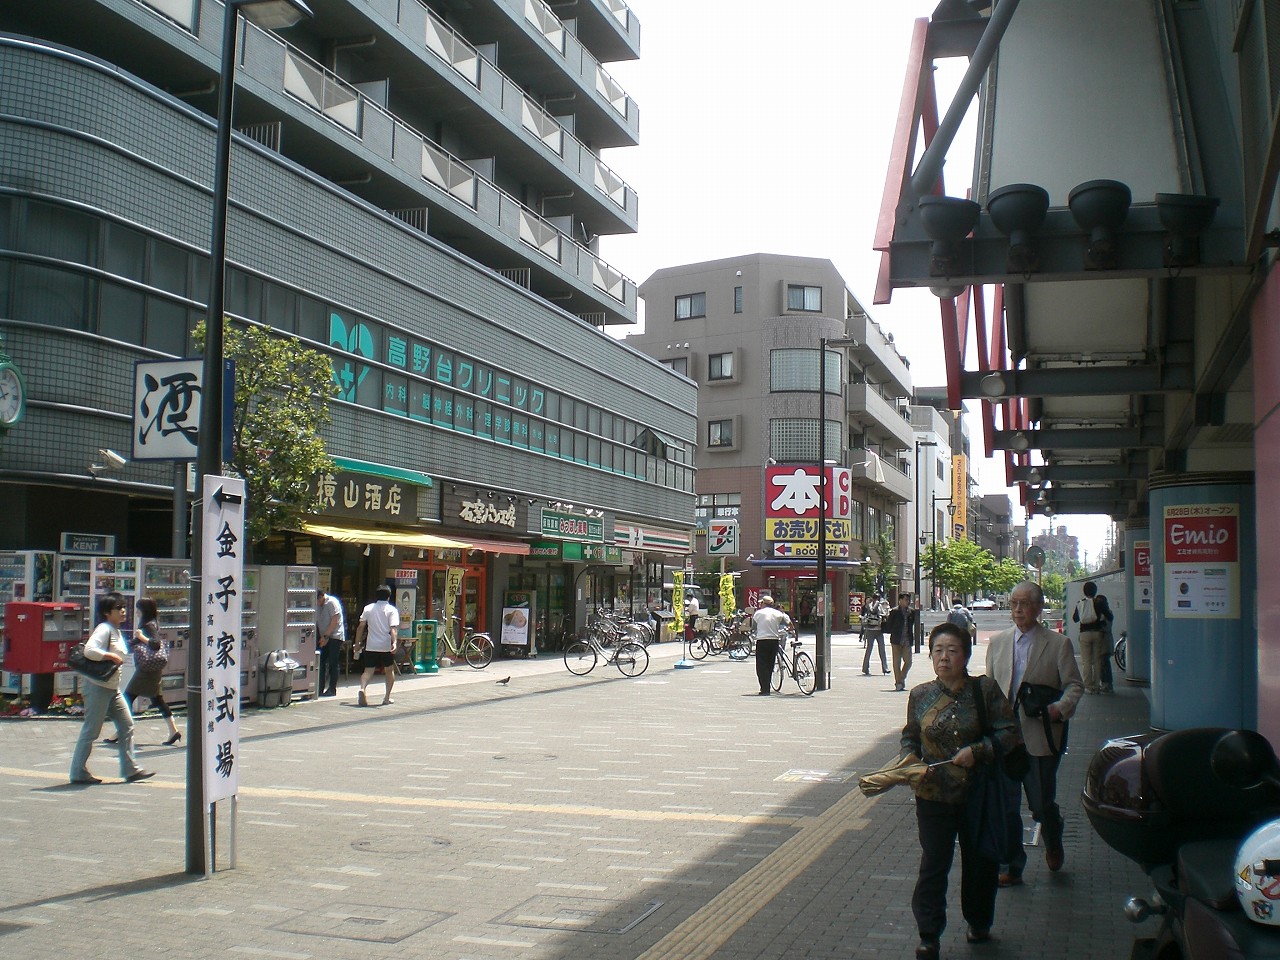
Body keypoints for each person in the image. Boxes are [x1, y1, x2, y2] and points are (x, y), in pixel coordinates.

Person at [903, 621, 1020, 959]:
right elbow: (910, 735)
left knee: (980, 861)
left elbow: (1009, 730)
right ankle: (929, 934)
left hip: (978, 794)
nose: (944, 658)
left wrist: (979, 751)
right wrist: (909, 760)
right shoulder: (921, 695)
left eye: (952, 651)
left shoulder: (984, 691)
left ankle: (979, 921)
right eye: (938, 650)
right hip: (933, 795)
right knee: (934, 863)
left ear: (966, 655)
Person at [985, 580, 1084, 885]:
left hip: (1041, 736)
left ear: (1039, 608)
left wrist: (1059, 709)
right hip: (1005, 739)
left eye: (1024, 604)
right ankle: (1011, 865)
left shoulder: (1057, 644)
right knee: (1006, 805)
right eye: (1013, 603)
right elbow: (990, 688)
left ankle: (1052, 836)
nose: (1017, 610)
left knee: (1041, 803)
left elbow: (1074, 685)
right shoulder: (998, 642)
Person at [69, 593, 156, 785]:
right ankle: (78, 772)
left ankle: (130, 770)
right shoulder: (104, 629)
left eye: (123, 607)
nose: (123, 611)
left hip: (112, 688)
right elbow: (90, 650)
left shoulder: (116, 630)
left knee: (127, 725)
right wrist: (110, 656)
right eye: (118, 608)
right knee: (91, 730)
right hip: (97, 687)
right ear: (108, 613)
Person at [120, 597, 180, 745]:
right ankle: (173, 731)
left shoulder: (148, 626)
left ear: (144, 610)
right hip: (151, 669)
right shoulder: (152, 623)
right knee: (157, 699)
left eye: (138, 608)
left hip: (146, 671)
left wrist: (140, 636)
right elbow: (136, 643)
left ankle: (121, 731)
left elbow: (155, 644)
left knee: (127, 698)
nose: (136, 611)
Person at [354, 585, 400, 707]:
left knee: (368, 670)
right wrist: (394, 642)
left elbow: (360, 627)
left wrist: (357, 643)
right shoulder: (391, 610)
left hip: (371, 644)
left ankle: (362, 688)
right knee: (389, 670)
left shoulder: (368, 608)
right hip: (385, 645)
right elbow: (393, 628)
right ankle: (386, 697)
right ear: (389, 597)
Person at [1071, 581, 1113, 694]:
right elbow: (1110, 616)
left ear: (1084, 591)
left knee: (1086, 661)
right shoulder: (1099, 602)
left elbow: (1075, 619)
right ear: (1095, 591)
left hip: (1084, 633)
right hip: (1097, 633)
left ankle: (1088, 686)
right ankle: (1097, 686)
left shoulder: (1080, 603)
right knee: (1097, 660)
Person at [751, 594, 792, 696]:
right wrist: (789, 629)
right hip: (774, 640)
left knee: (761, 665)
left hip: (762, 640)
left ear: (763, 603)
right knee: (770, 664)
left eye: (761, 603)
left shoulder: (758, 613)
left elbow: (753, 627)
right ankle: (767, 686)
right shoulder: (778, 613)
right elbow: (789, 623)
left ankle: (764, 688)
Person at [885, 593, 918, 691]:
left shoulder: (911, 612)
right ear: (900, 600)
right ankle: (898, 683)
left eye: (909, 600)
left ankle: (901, 678)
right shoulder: (894, 612)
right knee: (896, 662)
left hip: (907, 640)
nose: (908, 602)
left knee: (908, 661)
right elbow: (889, 625)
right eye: (906, 599)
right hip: (896, 639)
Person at [316, 588, 345, 697]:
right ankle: (319, 687)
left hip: (334, 636)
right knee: (321, 662)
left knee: (333, 662)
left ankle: (332, 689)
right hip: (323, 636)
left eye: (317, 600)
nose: (316, 603)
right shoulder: (318, 606)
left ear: (321, 596)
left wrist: (326, 636)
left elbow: (334, 620)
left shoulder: (332, 602)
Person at [861, 594, 890, 676]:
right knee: (882, 649)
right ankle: (885, 668)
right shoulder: (879, 605)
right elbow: (884, 615)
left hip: (869, 629)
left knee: (869, 650)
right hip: (878, 630)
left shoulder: (868, 605)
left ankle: (865, 668)